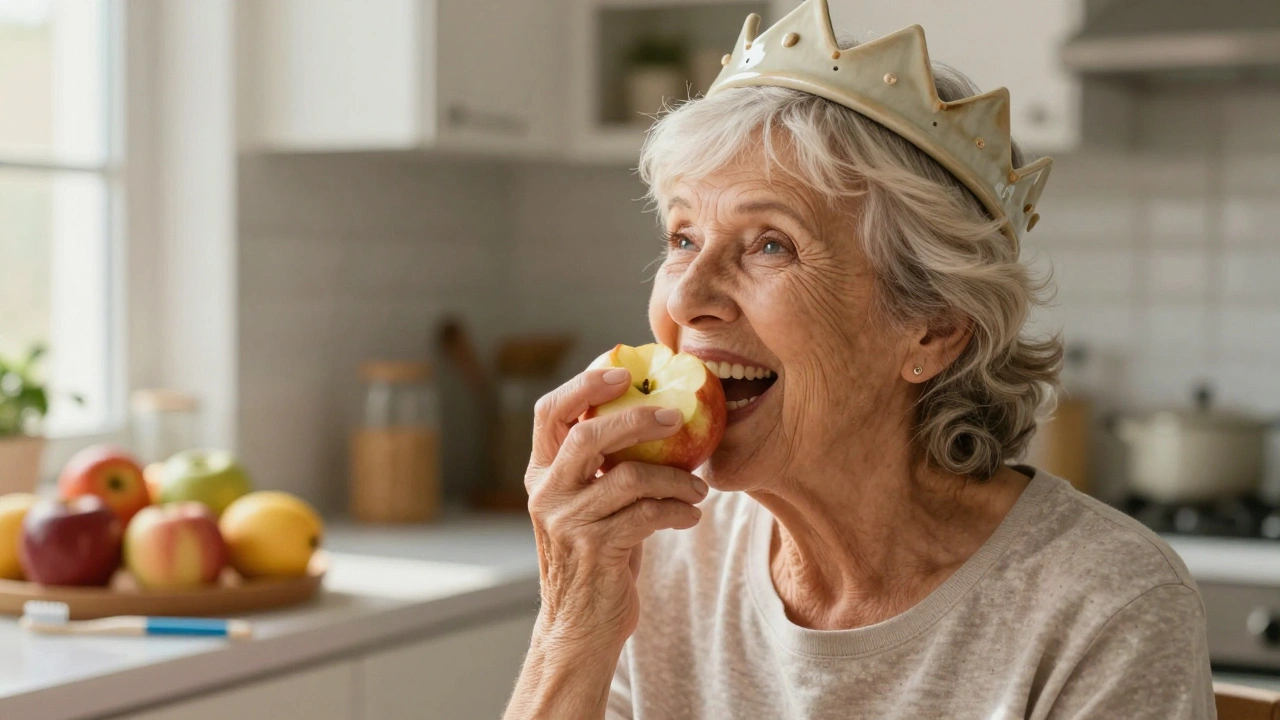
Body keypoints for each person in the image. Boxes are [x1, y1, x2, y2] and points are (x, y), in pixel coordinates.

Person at [505, 1, 1215, 717]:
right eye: (684, 237)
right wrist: (570, 629)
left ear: (932, 329)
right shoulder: (662, 548)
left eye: (770, 244)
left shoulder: (1103, 607)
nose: (688, 297)